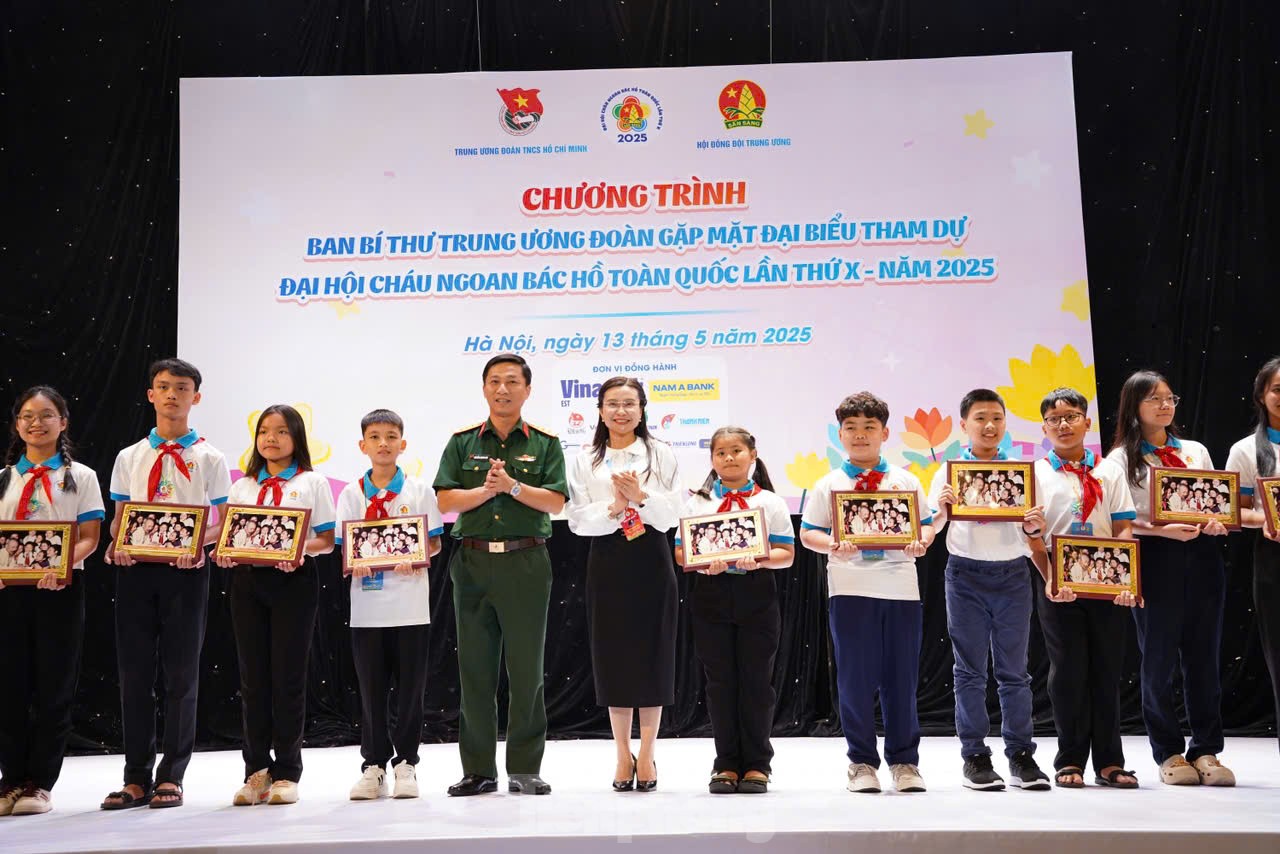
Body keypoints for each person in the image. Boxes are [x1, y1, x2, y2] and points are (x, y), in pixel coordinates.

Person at [433, 353, 567, 797]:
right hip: (472, 563)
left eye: (512, 381)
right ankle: (478, 770)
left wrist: (512, 486)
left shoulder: (545, 443)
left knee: (527, 671)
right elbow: (446, 501)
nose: (502, 389)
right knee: (475, 671)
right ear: (484, 388)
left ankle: (525, 768)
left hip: (525, 562)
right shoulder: (462, 441)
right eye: (494, 381)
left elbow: (555, 502)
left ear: (527, 390)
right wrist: (485, 490)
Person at [103, 358, 231, 810]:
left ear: (196, 397)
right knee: (134, 675)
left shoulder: (211, 457)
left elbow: (224, 521)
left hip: (186, 573)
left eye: (181, 387)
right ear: (150, 394)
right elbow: (120, 519)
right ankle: (135, 776)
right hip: (136, 572)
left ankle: (172, 774)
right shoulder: (129, 456)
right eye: (163, 386)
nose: (172, 394)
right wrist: (117, 543)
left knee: (181, 675)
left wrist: (198, 546)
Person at [800, 392, 935, 794]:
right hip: (850, 589)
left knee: (901, 679)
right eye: (852, 428)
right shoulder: (828, 483)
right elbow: (808, 534)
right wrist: (832, 544)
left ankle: (905, 762)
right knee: (855, 681)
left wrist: (922, 541)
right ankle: (861, 762)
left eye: (869, 427)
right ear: (840, 434)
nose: (860, 435)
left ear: (884, 433)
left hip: (901, 589)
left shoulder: (906, 480)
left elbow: (926, 524)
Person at [1107, 370, 1234, 786]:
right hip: (1155, 558)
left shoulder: (1195, 451)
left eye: (1169, 398)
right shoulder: (1120, 460)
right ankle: (1168, 751)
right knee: (1158, 659)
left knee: (1203, 658)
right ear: (1134, 406)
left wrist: (1216, 523)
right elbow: (1120, 521)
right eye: (1154, 399)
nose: (1165, 405)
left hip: (1202, 557)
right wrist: (1162, 531)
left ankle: (1206, 749)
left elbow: (1214, 501)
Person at [927, 389, 1051, 791]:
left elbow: (1035, 530)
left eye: (997, 418)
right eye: (980, 418)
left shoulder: (1022, 472)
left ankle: (1021, 755)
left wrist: (1034, 525)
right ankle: (975, 756)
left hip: (1012, 574)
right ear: (964, 424)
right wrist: (941, 510)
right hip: (965, 575)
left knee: (1015, 672)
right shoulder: (948, 473)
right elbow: (933, 527)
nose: (989, 425)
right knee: (969, 671)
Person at [213, 405, 335, 806]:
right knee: (253, 680)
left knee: (288, 678)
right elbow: (230, 535)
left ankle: (286, 772)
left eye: (281, 431)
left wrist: (299, 550)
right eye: (264, 431)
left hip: (294, 582)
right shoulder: (243, 485)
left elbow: (326, 541)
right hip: (247, 583)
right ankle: (256, 772)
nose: (271, 438)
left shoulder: (312, 482)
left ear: (296, 438)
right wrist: (224, 553)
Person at [566, 377, 683, 793]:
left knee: (653, 656)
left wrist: (642, 496)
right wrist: (615, 507)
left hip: (652, 556)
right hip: (607, 558)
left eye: (629, 404)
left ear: (642, 410)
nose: (621, 411)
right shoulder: (585, 459)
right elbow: (576, 520)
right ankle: (621, 754)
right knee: (613, 658)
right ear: (600, 411)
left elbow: (675, 514)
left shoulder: (661, 453)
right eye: (612, 404)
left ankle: (647, 753)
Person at [0, 386, 105, 816]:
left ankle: (39, 782)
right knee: (9, 686)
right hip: (8, 593)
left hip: (60, 591)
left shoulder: (81, 476)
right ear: (16, 424)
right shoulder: (4, 477)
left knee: (54, 687)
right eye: (27, 415)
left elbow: (90, 538)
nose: (36, 423)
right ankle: (11, 778)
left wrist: (60, 568)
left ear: (63, 422)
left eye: (46, 415)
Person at [674, 426, 795, 794]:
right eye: (721, 452)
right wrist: (701, 562)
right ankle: (725, 763)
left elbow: (787, 555)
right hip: (710, 595)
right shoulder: (698, 503)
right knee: (720, 683)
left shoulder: (770, 502)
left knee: (757, 683)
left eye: (737, 451)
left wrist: (758, 560)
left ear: (752, 456)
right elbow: (680, 552)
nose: (729, 458)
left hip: (756, 595)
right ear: (712, 459)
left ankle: (758, 764)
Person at [1029, 387, 1139, 790]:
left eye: (1072, 416)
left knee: (1107, 670)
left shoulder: (1109, 471)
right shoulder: (1036, 473)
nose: (1063, 424)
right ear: (1044, 428)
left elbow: (1123, 526)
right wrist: (1050, 579)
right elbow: (1033, 537)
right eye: (1054, 419)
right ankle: (1070, 759)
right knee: (1068, 672)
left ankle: (1110, 761)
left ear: (1087, 423)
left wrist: (1127, 578)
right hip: (1059, 583)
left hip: (1108, 583)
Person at [335, 409, 444, 801]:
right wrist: (356, 561)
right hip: (367, 609)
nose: (383, 443)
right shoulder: (351, 494)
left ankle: (407, 763)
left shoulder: (419, 491)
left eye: (391, 436)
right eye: (375, 437)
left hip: (411, 606)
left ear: (403, 443)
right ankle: (373, 765)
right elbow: (344, 547)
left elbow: (434, 542)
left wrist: (416, 556)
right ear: (362, 445)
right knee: (371, 691)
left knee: (411, 690)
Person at [1225, 355, 1280, 754]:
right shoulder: (1246, 450)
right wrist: (1266, 519)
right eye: (1277, 389)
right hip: (1273, 558)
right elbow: (1233, 511)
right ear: (1262, 395)